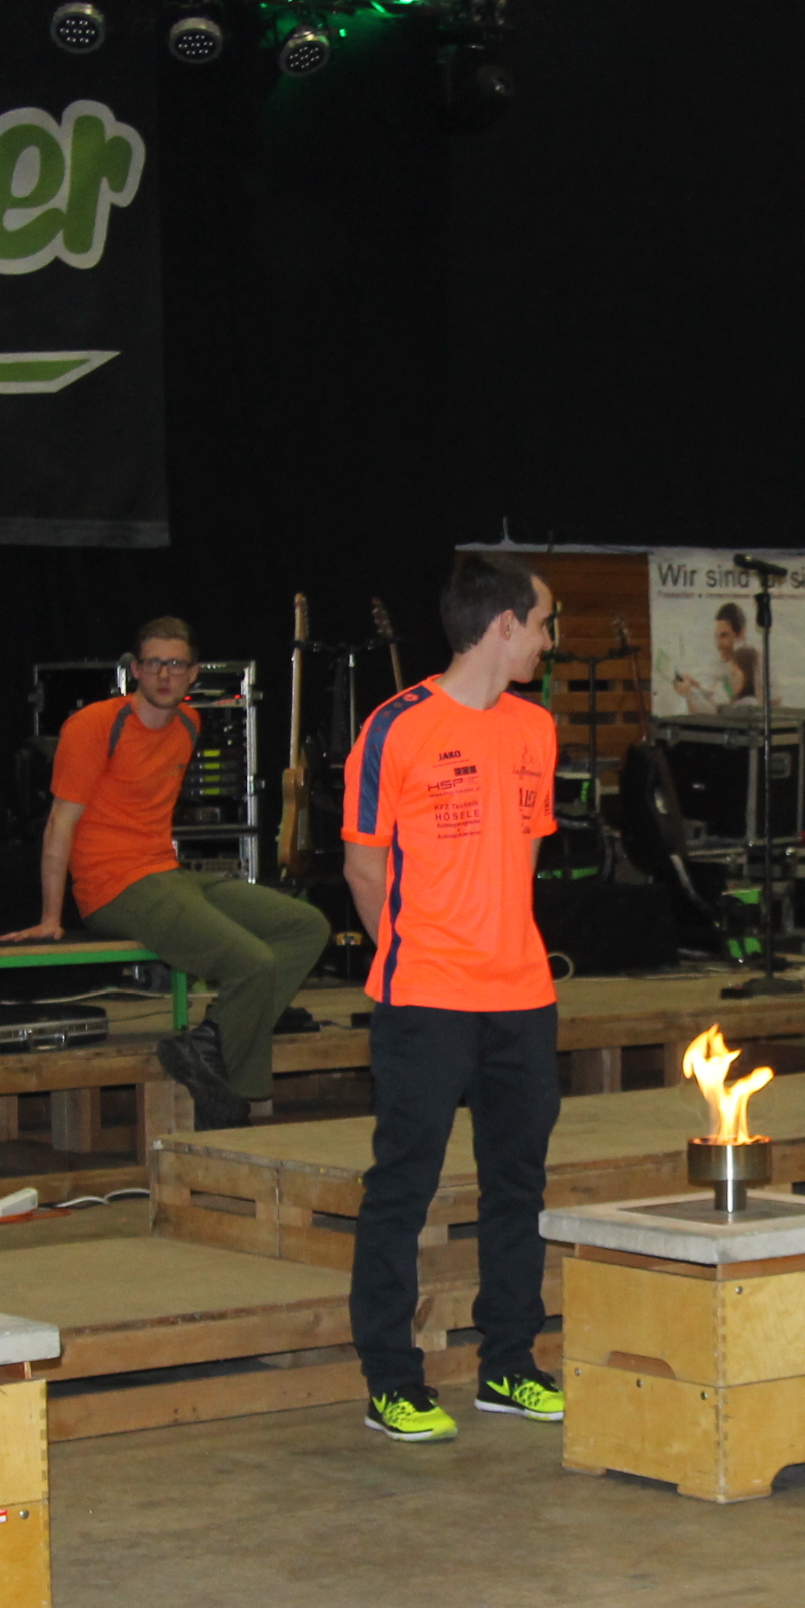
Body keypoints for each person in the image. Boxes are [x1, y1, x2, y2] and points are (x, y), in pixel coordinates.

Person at [340, 554, 568, 1441]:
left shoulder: (535, 729)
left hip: (523, 996)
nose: (548, 641)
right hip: (426, 998)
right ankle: (392, 1380)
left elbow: (527, 853)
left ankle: (508, 1363)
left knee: (518, 1184)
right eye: (541, 624)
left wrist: (502, 944)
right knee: (404, 1185)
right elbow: (364, 869)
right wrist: (422, 953)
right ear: (503, 625)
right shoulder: (396, 727)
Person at [6, 619, 328, 1130]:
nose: (164, 675)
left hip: (166, 873)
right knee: (253, 961)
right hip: (113, 886)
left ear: (194, 673)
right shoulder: (94, 725)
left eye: (176, 664)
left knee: (306, 926)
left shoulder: (189, 725)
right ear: (135, 670)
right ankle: (233, 1093)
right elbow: (59, 824)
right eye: (153, 663)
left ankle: (208, 1042)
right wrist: (51, 915)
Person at [670, 602, 760, 710]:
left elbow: (716, 712)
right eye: (717, 637)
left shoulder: (754, 662)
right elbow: (717, 704)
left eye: (724, 635)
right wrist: (695, 688)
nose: (718, 645)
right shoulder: (717, 665)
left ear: (741, 633)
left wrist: (691, 695)